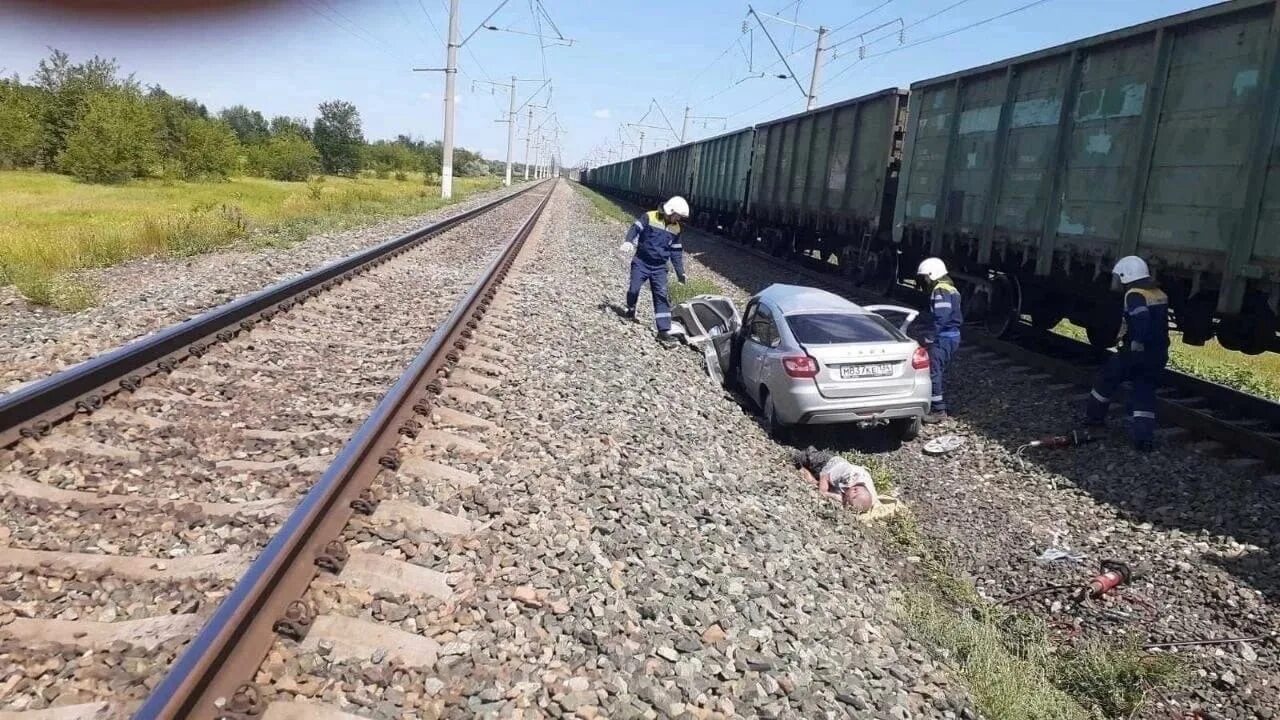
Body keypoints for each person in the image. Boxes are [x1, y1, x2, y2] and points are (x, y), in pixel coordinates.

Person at [1084, 256, 1170, 452]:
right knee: (1144, 392)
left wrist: (1137, 342)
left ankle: (1093, 421)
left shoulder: (1134, 295)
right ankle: (1143, 439)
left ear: (1125, 275)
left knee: (1106, 380)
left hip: (1135, 353)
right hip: (1158, 354)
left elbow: (1141, 319)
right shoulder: (1158, 293)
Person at [619, 196, 689, 342]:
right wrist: (628, 241)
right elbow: (635, 228)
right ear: (670, 211)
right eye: (677, 215)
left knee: (661, 297)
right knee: (634, 289)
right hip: (641, 262)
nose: (679, 219)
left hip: (659, 268)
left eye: (680, 217)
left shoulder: (676, 229)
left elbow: (676, 252)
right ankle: (631, 308)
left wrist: (680, 272)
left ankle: (663, 331)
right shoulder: (649, 217)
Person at [917, 257, 962, 424]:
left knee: (933, 372)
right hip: (952, 336)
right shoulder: (950, 288)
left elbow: (941, 317)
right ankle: (938, 404)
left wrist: (929, 336)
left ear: (932, 274)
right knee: (938, 371)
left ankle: (938, 410)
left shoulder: (940, 290)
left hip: (943, 338)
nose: (925, 280)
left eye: (926, 276)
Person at [792, 447, 878, 512]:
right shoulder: (848, 475)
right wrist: (823, 492)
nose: (845, 503)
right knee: (805, 457)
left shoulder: (870, 497)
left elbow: (866, 501)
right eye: (847, 502)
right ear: (855, 490)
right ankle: (799, 453)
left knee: (816, 483)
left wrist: (834, 496)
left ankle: (805, 471)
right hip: (828, 463)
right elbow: (825, 476)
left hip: (838, 478)